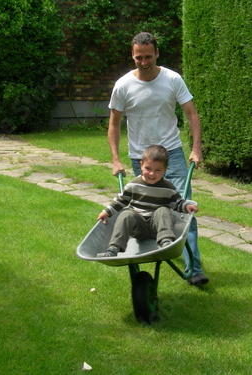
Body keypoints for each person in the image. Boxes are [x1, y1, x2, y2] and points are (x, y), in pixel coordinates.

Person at [106, 31, 209, 286]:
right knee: (140, 209)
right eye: (138, 57)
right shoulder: (123, 85)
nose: (143, 62)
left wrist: (196, 149)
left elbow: (191, 114)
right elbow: (114, 124)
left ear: (157, 54)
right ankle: (146, 253)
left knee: (184, 209)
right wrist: (115, 159)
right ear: (132, 55)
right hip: (140, 158)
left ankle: (194, 268)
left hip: (172, 154)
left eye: (148, 56)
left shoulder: (172, 79)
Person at [96, 145, 198, 257]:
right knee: (126, 213)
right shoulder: (134, 184)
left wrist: (186, 205)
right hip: (138, 228)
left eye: (158, 170)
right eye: (148, 168)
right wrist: (106, 212)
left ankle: (166, 242)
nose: (152, 174)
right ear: (141, 165)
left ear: (165, 170)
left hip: (158, 228)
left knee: (163, 210)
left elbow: (177, 202)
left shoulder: (168, 188)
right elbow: (120, 200)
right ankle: (113, 248)